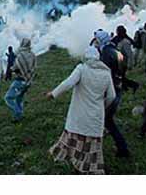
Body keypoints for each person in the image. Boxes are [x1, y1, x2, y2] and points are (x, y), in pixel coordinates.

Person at [46, 46, 116, 175]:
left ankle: (74, 161)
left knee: (76, 137)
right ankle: (88, 166)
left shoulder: (82, 69)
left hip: (79, 114)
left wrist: (53, 94)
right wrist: (103, 106)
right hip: (96, 116)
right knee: (91, 143)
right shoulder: (106, 73)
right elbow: (112, 96)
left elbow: (68, 83)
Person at [93, 30, 130, 158]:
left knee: (106, 121)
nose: (95, 43)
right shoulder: (116, 51)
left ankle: (122, 149)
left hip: (110, 90)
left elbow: (104, 75)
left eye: (96, 40)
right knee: (106, 120)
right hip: (117, 87)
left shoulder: (106, 54)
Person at [4, 38, 36, 122]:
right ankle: (18, 117)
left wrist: (11, 68)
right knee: (19, 99)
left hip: (20, 80)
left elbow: (15, 67)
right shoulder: (32, 54)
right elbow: (33, 67)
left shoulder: (20, 55)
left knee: (8, 98)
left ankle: (18, 113)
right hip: (28, 80)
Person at [112, 25, 139, 93]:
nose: (117, 32)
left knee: (120, 77)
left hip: (123, 63)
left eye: (118, 31)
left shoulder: (125, 42)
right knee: (121, 77)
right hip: (119, 62)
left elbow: (129, 55)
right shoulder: (118, 39)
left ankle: (133, 85)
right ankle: (127, 88)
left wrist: (130, 65)